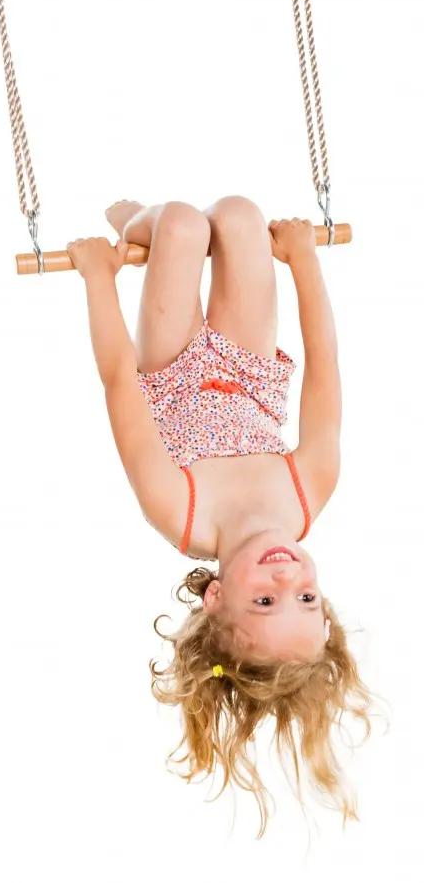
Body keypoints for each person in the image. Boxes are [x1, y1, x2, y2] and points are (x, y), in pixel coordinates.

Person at [66, 197, 375, 837]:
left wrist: (99, 279)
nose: (287, 579)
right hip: (249, 371)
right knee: (239, 218)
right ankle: (192, 228)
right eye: (307, 598)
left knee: (181, 226)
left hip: (172, 373)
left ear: (215, 598)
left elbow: (121, 382)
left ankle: (134, 222)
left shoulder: (179, 513)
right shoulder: (307, 492)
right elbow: (324, 366)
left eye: (264, 602)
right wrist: (303, 259)